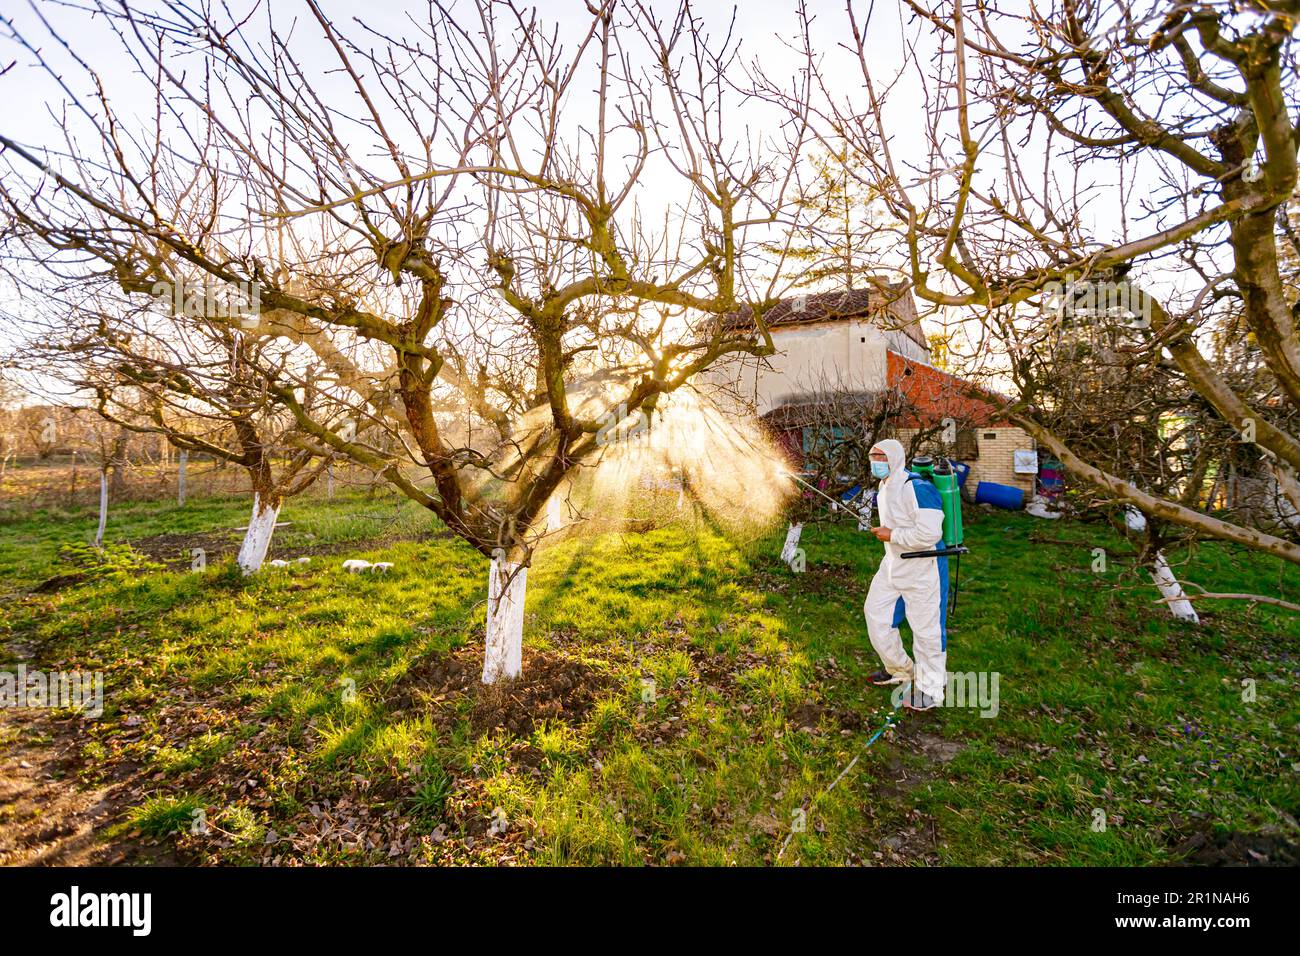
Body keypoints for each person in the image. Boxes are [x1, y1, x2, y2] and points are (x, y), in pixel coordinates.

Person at [863, 438, 949, 711]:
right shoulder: (884, 485)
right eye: (873, 456)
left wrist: (892, 534)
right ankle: (899, 669)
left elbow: (930, 533)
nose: (876, 462)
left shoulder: (916, 487)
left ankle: (931, 690)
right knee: (875, 614)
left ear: (895, 458)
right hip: (893, 563)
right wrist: (888, 533)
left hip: (923, 568)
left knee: (927, 631)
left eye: (881, 457)